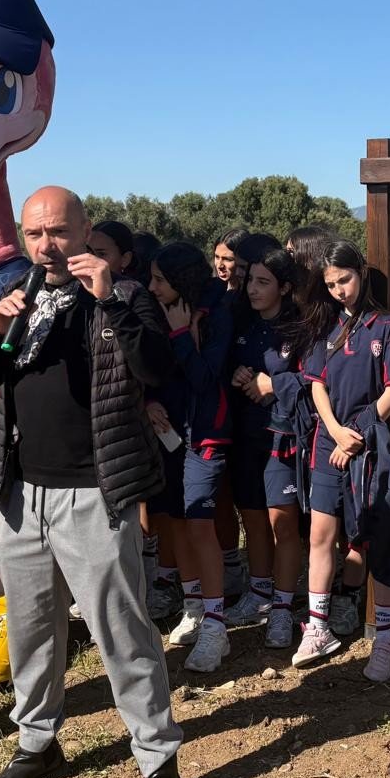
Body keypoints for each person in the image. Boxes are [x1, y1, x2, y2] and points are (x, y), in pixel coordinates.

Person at [0, 187, 184, 778]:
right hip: (18, 493)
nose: (46, 246)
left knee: (122, 632)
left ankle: (158, 762)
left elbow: (158, 370)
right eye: (35, 234)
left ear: (85, 229)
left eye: (59, 231)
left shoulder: (124, 295)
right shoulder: (20, 299)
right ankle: (37, 743)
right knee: (29, 629)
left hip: (96, 491)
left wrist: (110, 297)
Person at [292, 240, 390, 667]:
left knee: (363, 538)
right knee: (321, 534)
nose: (339, 289)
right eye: (331, 283)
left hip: (369, 445)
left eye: (346, 279)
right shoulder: (323, 325)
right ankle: (317, 626)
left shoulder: (387, 326)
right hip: (328, 442)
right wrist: (336, 432)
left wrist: (356, 431)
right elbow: (316, 384)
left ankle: (350, 602)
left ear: (362, 272)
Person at [148, 242, 235, 673]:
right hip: (168, 435)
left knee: (201, 524)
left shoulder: (217, 312)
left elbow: (204, 380)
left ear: (181, 280)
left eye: (160, 279)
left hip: (206, 435)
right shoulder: (154, 309)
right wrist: (148, 401)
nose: (152, 286)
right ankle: (194, 605)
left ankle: (217, 630)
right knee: (176, 522)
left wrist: (183, 335)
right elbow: (149, 369)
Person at [224, 245, 306, 643]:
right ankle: (258, 594)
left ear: (285, 287)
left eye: (263, 282)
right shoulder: (242, 323)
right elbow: (224, 368)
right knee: (253, 519)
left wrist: (273, 385)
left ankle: (283, 606)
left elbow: (313, 381)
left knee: (283, 523)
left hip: (282, 438)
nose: (252, 289)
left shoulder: (302, 328)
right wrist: (238, 373)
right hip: (244, 436)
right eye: (250, 280)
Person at [212, 226, 249, 292]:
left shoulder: (253, 297)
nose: (220, 266)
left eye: (227, 259)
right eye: (217, 257)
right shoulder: (212, 292)